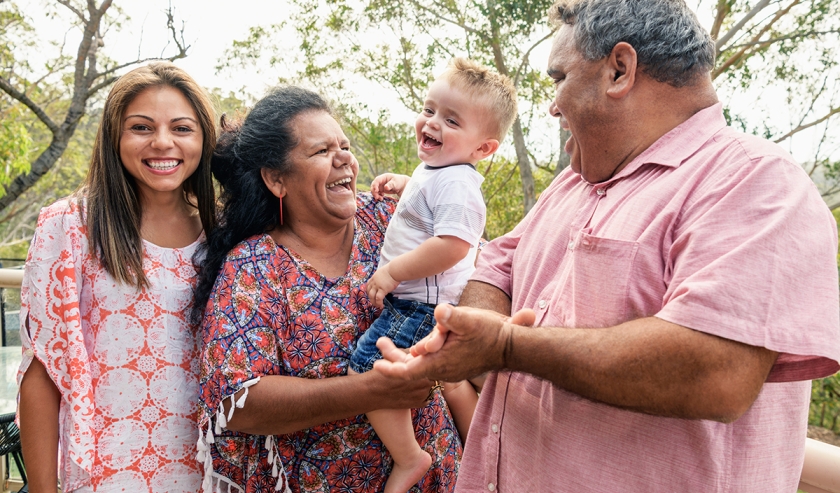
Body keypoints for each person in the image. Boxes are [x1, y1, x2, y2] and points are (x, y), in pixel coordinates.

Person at [376, 0, 840, 491]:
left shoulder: (755, 182)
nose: (553, 105)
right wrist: (474, 330)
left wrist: (511, 347)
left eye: (559, 78)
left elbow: (718, 372)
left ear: (619, 70)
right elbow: (494, 266)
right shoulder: (572, 183)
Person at [193, 86, 461, 493]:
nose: (345, 159)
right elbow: (238, 401)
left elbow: (472, 265)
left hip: (440, 475)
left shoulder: (391, 219)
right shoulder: (255, 267)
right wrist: (367, 390)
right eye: (321, 151)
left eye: (345, 146)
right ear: (276, 179)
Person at [17, 62, 217, 493]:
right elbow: (42, 369)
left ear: (203, 138)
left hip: (209, 469)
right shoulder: (68, 225)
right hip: (105, 472)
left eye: (182, 128)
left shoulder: (224, 232)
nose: (162, 142)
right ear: (114, 137)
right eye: (141, 127)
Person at [350, 57, 518, 493]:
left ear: (483, 149)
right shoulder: (440, 171)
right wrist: (409, 184)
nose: (432, 123)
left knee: (366, 368)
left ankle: (410, 458)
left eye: (451, 120)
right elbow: (432, 201)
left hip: (419, 304)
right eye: (429, 110)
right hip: (424, 302)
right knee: (451, 379)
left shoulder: (459, 185)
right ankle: (476, 453)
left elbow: (453, 245)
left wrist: (391, 272)